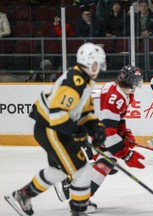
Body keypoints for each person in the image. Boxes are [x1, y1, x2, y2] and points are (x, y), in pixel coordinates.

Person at [4, 42, 107, 216]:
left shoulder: (86, 80)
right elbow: (57, 115)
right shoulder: (74, 82)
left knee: (60, 171)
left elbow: (85, 111)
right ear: (89, 62)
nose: (100, 67)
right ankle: (79, 208)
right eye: (97, 63)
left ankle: (22, 195)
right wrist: (77, 133)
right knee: (82, 171)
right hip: (51, 129)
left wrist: (95, 128)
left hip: (56, 128)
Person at [53, 65, 145, 213]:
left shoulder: (122, 92)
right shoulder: (116, 97)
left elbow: (117, 119)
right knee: (108, 159)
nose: (137, 85)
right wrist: (126, 154)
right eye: (135, 81)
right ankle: (80, 199)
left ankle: (70, 181)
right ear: (129, 81)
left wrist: (123, 133)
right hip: (73, 125)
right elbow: (108, 134)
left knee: (110, 163)